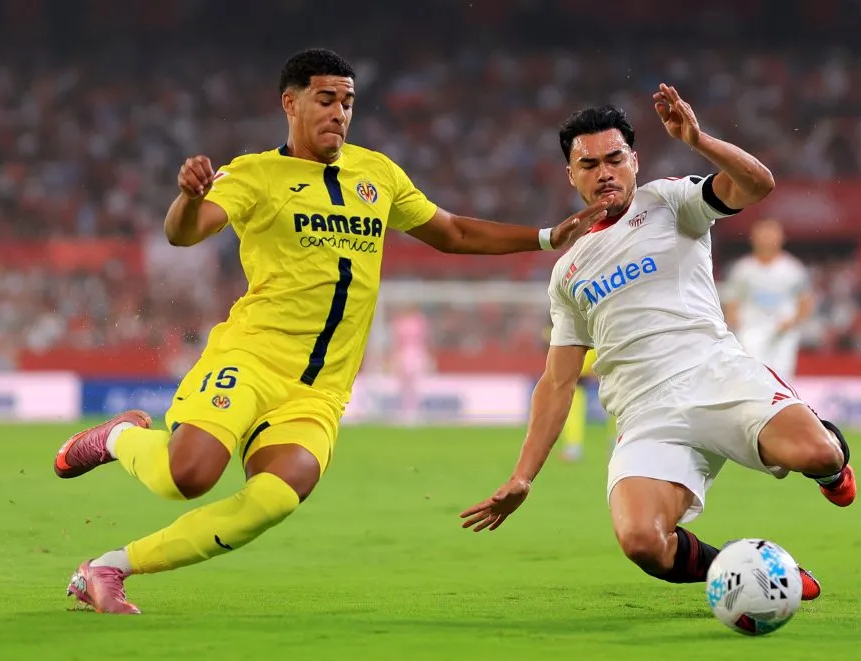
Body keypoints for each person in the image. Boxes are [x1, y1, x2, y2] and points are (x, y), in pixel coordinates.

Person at [53, 48, 606, 614]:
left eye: (347, 102)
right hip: (251, 358)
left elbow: (454, 233)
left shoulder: (379, 174)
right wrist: (188, 198)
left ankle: (109, 567)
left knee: (274, 497)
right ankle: (118, 437)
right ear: (289, 103)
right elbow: (185, 233)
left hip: (320, 389)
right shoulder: (253, 174)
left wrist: (543, 238)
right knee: (187, 476)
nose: (340, 112)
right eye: (326, 99)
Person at [460, 87, 856, 602]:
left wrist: (698, 139)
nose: (604, 172)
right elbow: (558, 380)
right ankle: (752, 567)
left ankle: (832, 467)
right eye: (589, 164)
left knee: (818, 453)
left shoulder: (669, 200)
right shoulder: (567, 272)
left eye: (615, 159)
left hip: (715, 376)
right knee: (642, 542)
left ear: (634, 160)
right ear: (571, 175)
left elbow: (758, 185)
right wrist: (523, 476)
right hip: (646, 414)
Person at [722, 218, 813, 380]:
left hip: (782, 332)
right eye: (762, 234)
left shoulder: (792, 269)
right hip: (751, 330)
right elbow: (732, 301)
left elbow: (805, 301)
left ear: (781, 238)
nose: (767, 238)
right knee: (753, 376)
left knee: (782, 378)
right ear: (753, 237)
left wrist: (793, 322)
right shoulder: (743, 269)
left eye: (771, 233)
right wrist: (735, 326)